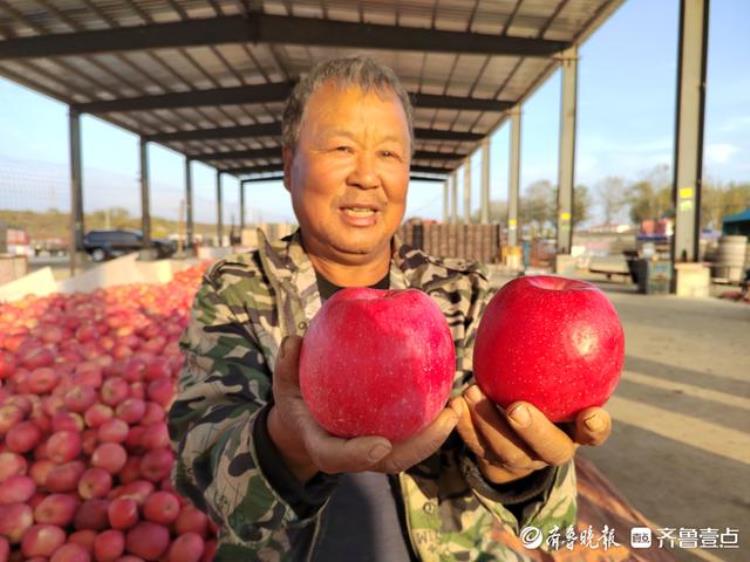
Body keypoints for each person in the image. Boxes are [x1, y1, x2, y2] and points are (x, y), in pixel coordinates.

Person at [168, 56, 612, 561]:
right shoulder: (239, 290)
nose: (366, 176)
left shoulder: (461, 294)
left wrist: (519, 469)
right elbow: (195, 464)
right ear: (289, 164)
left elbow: (541, 512)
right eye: (340, 147)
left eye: (388, 153)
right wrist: (286, 444)